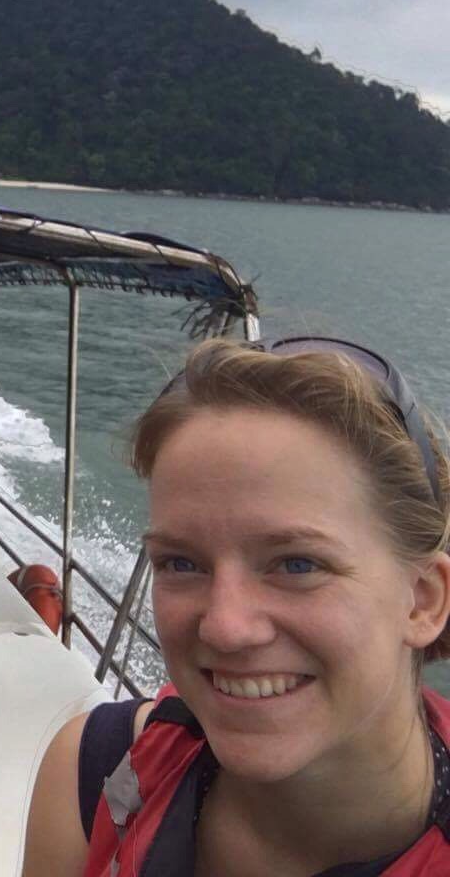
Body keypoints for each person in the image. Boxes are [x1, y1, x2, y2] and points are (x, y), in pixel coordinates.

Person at [23, 336, 450, 876]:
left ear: (422, 600)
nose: (225, 627)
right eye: (181, 563)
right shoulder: (93, 771)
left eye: (297, 564)